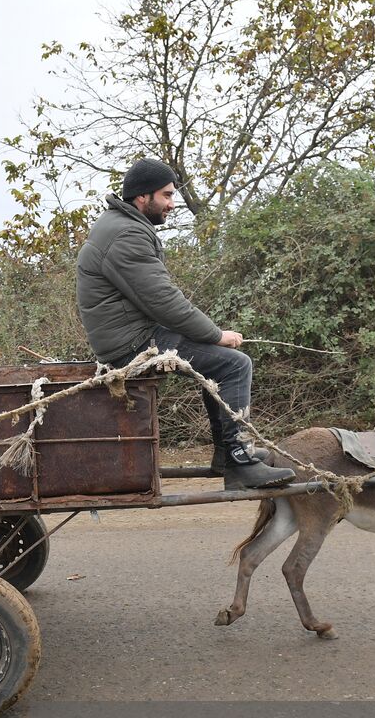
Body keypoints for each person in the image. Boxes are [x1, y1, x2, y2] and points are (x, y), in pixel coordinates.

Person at [75, 158, 294, 489]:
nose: (172, 204)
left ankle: (227, 455)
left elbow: (159, 301)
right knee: (235, 365)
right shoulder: (127, 234)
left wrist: (207, 337)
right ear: (142, 198)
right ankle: (239, 462)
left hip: (132, 335)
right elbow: (164, 302)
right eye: (166, 195)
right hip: (132, 345)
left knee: (217, 365)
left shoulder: (122, 225)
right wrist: (216, 335)